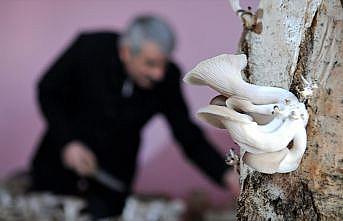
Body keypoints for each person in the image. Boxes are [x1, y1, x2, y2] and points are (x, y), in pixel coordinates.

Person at [30, 15, 239, 219]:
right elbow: (47, 90)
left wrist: (225, 174)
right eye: (150, 64)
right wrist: (68, 142)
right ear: (126, 52)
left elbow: (187, 134)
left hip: (112, 182)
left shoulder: (167, 79)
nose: (158, 74)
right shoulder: (89, 49)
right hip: (55, 167)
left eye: (163, 64)